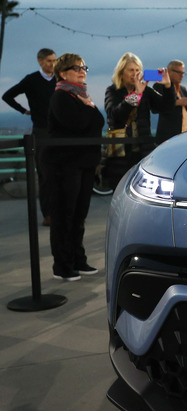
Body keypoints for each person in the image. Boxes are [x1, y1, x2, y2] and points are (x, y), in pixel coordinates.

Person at [44, 53, 105, 281]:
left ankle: (78, 260)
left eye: (84, 67)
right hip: (64, 165)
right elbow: (78, 123)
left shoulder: (82, 96)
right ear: (63, 73)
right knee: (64, 215)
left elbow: (98, 122)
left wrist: (88, 108)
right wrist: (89, 109)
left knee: (79, 215)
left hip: (84, 164)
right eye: (77, 68)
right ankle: (63, 266)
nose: (82, 71)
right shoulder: (61, 96)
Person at [2, 48, 57, 226]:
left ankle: (60, 213)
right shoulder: (31, 80)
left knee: (60, 174)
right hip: (41, 131)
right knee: (45, 175)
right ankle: (48, 214)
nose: (52, 64)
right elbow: (7, 96)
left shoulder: (59, 79)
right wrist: (24, 111)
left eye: (54, 60)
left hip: (60, 131)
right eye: (49, 61)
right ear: (40, 61)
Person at [104, 52, 175, 187]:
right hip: (121, 153)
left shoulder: (146, 91)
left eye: (137, 70)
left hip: (143, 150)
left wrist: (167, 86)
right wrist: (136, 94)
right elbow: (115, 115)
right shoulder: (113, 91)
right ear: (121, 72)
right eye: (131, 70)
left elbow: (166, 107)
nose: (134, 74)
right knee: (120, 193)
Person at [153, 59, 187, 144]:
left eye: (183, 73)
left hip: (185, 135)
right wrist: (178, 102)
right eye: (179, 73)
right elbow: (156, 107)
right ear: (169, 72)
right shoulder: (159, 86)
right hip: (168, 137)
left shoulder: (182, 89)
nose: (181, 75)